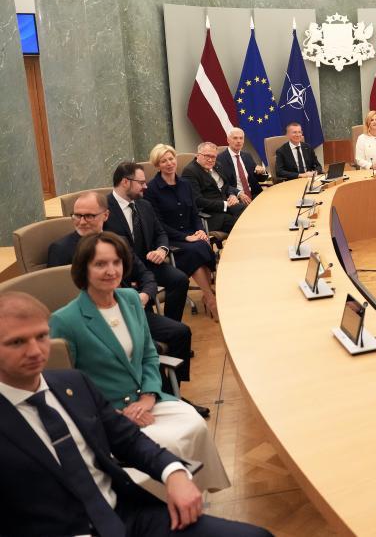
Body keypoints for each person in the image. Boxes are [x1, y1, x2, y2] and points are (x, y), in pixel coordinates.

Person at [0, 291, 271, 537]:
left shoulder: (73, 383)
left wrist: (174, 472)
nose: (35, 351)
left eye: (41, 337)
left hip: (126, 517)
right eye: (17, 342)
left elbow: (128, 440)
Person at [48, 232, 231, 494]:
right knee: (167, 444)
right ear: (83, 269)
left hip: (147, 398)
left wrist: (148, 396)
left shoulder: (131, 299)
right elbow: (64, 387)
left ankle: (192, 497)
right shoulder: (65, 320)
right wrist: (114, 416)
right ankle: (165, 505)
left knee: (195, 425)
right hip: (108, 414)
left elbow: (148, 354)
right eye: (100, 264)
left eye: (116, 262)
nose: (111, 271)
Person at [46, 192, 200, 414]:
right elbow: (61, 292)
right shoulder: (61, 249)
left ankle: (170, 391)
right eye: (77, 216)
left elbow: (145, 274)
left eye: (89, 216)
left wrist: (144, 295)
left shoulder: (117, 242)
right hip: (92, 321)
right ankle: (163, 391)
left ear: (105, 215)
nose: (82, 221)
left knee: (180, 332)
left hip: (129, 308)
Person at [103, 163, 190, 324]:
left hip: (148, 263)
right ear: (125, 182)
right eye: (141, 183)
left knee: (180, 280)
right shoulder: (104, 208)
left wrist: (162, 250)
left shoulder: (144, 205)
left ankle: (171, 325)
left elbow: (160, 233)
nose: (146, 186)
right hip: (121, 270)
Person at [145, 145, 219, 321]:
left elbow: (194, 213)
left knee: (203, 244)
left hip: (191, 233)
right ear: (157, 165)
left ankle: (207, 295)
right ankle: (210, 299)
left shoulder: (185, 184)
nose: (169, 163)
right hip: (169, 237)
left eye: (171, 159)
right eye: (164, 161)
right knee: (195, 250)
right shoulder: (151, 189)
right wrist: (186, 237)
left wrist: (200, 230)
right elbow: (158, 224)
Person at [182, 142, 246, 234]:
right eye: (207, 156)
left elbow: (226, 186)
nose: (210, 160)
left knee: (247, 212)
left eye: (213, 157)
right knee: (240, 225)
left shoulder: (217, 165)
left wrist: (232, 195)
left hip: (226, 205)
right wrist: (224, 204)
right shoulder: (190, 172)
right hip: (210, 213)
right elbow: (197, 201)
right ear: (198, 155)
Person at [217, 127, 263, 203]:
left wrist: (262, 172)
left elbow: (259, 178)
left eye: (241, 138)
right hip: (235, 198)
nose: (238, 141)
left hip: (255, 194)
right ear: (228, 140)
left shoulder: (247, 156)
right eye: (235, 138)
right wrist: (238, 193)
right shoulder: (220, 159)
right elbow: (222, 184)